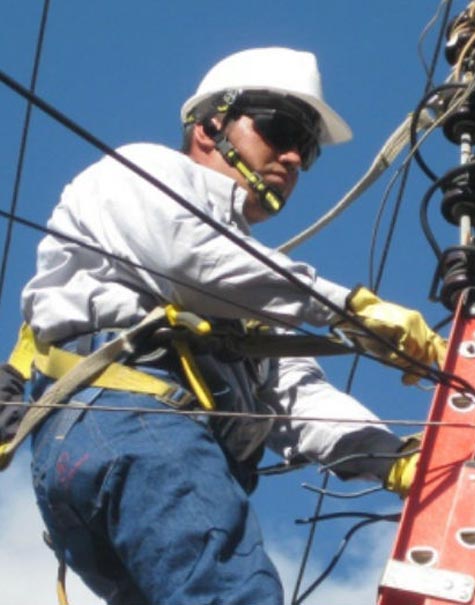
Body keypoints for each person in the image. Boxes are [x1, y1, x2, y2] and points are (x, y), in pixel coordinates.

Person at [20, 47, 443, 605]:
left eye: (306, 149)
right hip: (129, 421)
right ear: (210, 125)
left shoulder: (255, 289)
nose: (293, 158)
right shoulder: (145, 171)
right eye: (280, 129)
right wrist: (350, 307)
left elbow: (297, 398)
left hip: (135, 454)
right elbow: (188, 259)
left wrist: (394, 460)